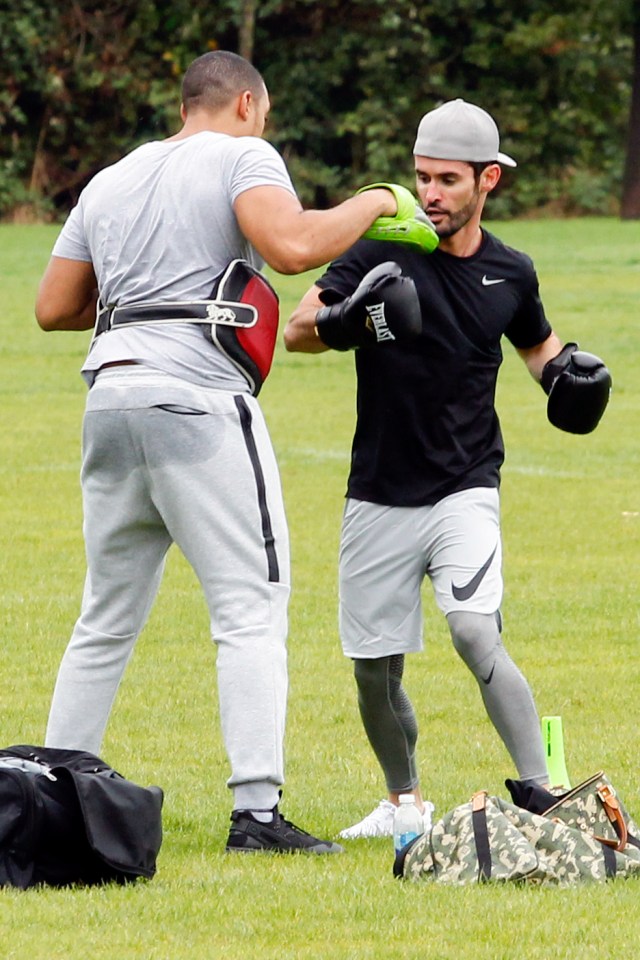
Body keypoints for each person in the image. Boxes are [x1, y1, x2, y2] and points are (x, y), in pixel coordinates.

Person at [34, 50, 429, 855]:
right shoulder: (242, 154)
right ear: (247, 103)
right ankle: (256, 814)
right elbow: (289, 246)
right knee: (251, 606)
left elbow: (55, 307)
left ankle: (57, 800)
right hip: (198, 403)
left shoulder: (109, 179)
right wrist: (378, 199)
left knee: (105, 616)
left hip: (109, 401)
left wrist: (149, 300)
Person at [284, 98, 611, 839]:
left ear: (487, 180)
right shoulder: (381, 249)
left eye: (447, 181)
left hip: (466, 485)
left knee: (472, 629)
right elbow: (300, 328)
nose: (429, 194)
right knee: (374, 669)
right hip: (378, 489)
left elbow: (541, 351)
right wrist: (350, 320)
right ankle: (404, 803)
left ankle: (540, 790)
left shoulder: (510, 272)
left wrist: (571, 377)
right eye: (422, 177)